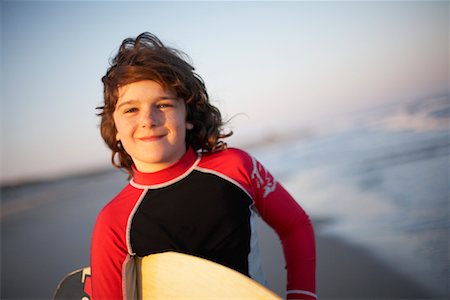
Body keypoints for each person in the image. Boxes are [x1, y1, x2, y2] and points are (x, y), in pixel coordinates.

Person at [91, 32, 316, 300]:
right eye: (131, 110)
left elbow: (296, 226)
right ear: (114, 127)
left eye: (162, 104)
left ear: (187, 115)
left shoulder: (236, 167)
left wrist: (302, 296)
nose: (148, 120)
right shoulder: (115, 222)